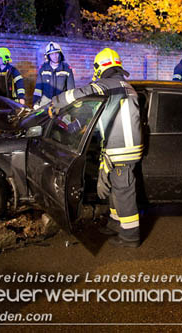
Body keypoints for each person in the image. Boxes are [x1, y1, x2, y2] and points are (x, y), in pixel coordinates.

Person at [50, 48, 143, 248]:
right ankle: (115, 223)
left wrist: (55, 102)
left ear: (101, 67)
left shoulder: (109, 85)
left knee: (124, 192)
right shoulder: (122, 85)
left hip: (122, 149)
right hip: (119, 147)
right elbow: (97, 111)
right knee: (116, 190)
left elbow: (81, 94)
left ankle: (130, 236)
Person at [33, 42, 75, 109]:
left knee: (64, 119)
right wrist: (36, 103)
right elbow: (38, 89)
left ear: (60, 54)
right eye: (52, 54)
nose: (55, 56)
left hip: (62, 102)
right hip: (45, 102)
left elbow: (71, 89)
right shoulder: (43, 69)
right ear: (48, 56)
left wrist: (71, 105)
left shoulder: (67, 69)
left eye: (56, 53)